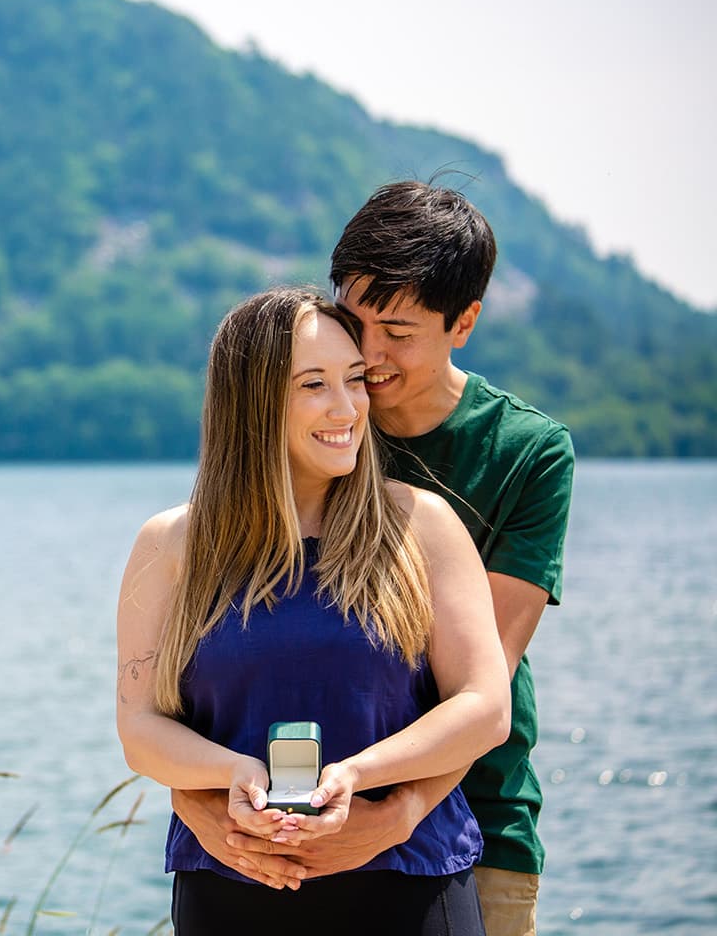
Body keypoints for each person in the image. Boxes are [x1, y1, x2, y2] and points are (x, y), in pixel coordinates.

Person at [171, 182, 576, 936]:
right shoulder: (319, 416)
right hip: (281, 833)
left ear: (464, 324)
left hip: (471, 827)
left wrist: (398, 817)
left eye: (397, 331)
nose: (368, 354)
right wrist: (199, 806)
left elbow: (479, 687)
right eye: (353, 320)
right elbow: (218, 666)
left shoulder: (525, 453)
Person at [115, 287, 511, 934]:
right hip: (229, 890)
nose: (347, 406)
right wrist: (232, 775)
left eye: (354, 380)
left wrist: (359, 779)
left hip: (411, 886)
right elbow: (140, 729)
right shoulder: (171, 546)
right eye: (314, 385)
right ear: (254, 403)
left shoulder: (422, 526)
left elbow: (486, 708)